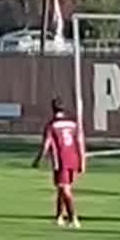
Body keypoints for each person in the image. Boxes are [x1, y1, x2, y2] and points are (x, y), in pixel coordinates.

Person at [33, 96, 85, 227]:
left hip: (61, 160)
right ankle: (59, 217)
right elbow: (80, 142)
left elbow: (46, 145)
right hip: (74, 159)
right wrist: (82, 161)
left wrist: (38, 160)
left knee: (64, 189)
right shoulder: (73, 124)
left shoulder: (52, 125)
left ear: (52, 108)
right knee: (62, 189)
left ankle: (73, 218)